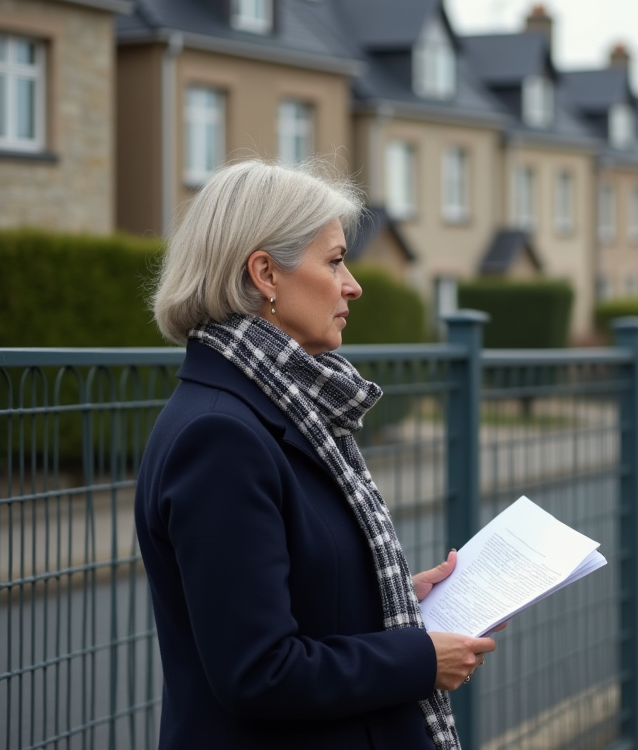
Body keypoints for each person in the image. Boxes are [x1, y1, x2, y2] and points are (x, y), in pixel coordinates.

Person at [136, 159, 495, 749]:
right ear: (265, 274)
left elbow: (296, 597)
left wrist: (392, 600)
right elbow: (259, 671)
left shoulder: (277, 407)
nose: (353, 284)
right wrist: (418, 659)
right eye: (334, 261)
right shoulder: (220, 437)